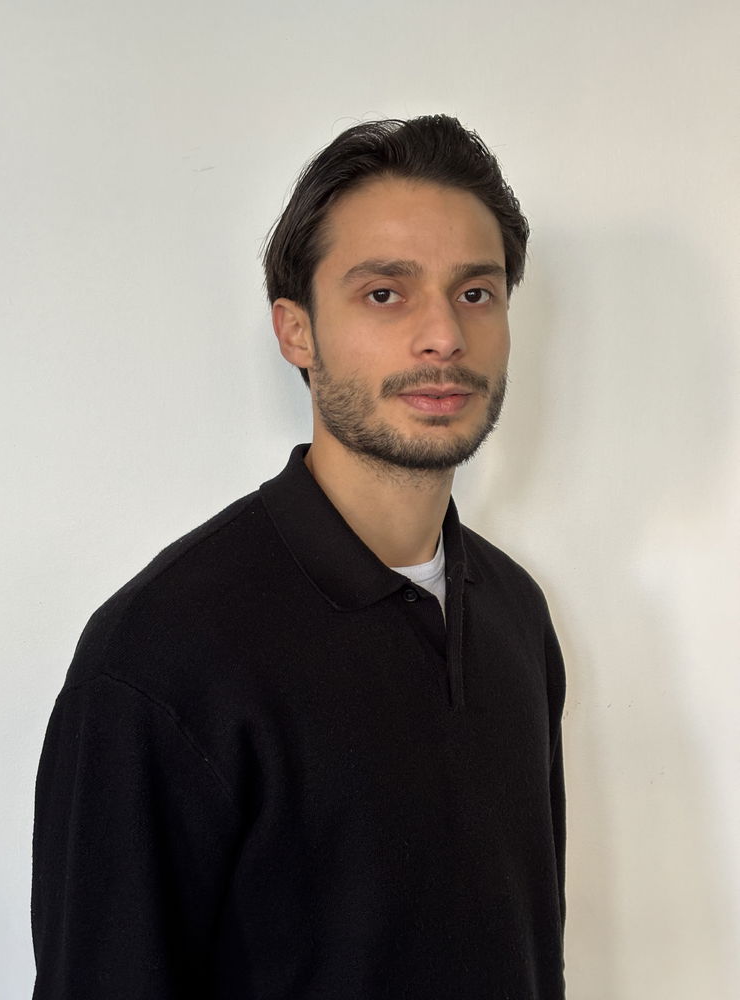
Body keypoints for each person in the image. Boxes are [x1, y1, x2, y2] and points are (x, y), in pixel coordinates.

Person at [32, 115, 566, 999]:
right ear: (296, 332)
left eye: (476, 292)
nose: (443, 335)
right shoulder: (160, 653)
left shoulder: (515, 613)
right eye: (385, 293)